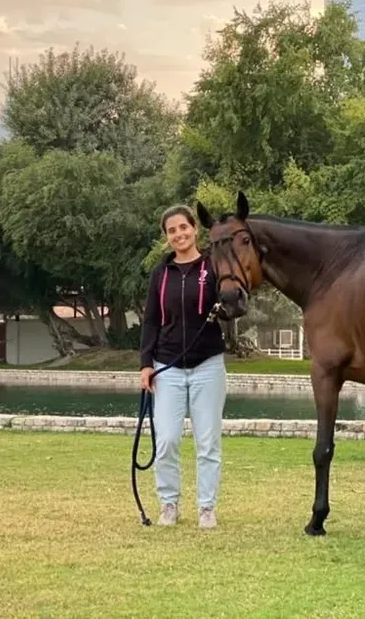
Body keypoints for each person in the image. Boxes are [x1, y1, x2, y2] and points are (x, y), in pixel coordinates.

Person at [139, 203, 228, 529]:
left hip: (208, 365)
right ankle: (169, 503)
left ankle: (207, 508)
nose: (179, 234)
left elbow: (232, 304)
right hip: (168, 366)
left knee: (208, 442)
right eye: (172, 230)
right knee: (167, 440)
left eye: (183, 227)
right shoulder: (161, 274)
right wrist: (146, 364)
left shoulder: (212, 266)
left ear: (194, 229)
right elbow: (151, 320)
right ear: (166, 237)